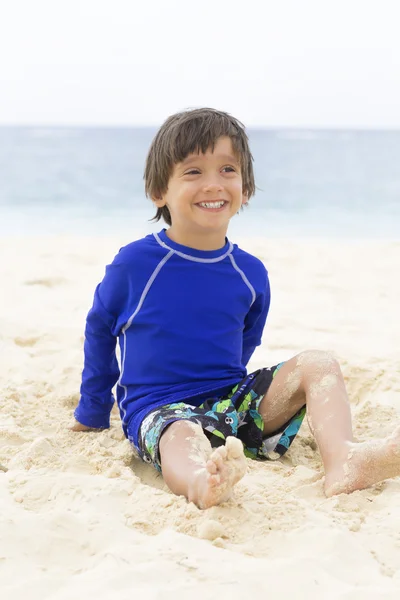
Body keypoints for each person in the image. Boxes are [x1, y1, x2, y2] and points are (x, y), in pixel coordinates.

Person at [72, 108, 400, 509]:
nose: (213, 184)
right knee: (182, 434)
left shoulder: (249, 272)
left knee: (319, 364)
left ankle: (344, 460)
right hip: (160, 407)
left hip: (231, 401)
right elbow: (100, 331)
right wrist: (92, 409)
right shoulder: (136, 264)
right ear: (160, 192)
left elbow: (246, 340)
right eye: (193, 172)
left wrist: (239, 396)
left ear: (245, 190)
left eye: (227, 169)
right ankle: (200, 482)